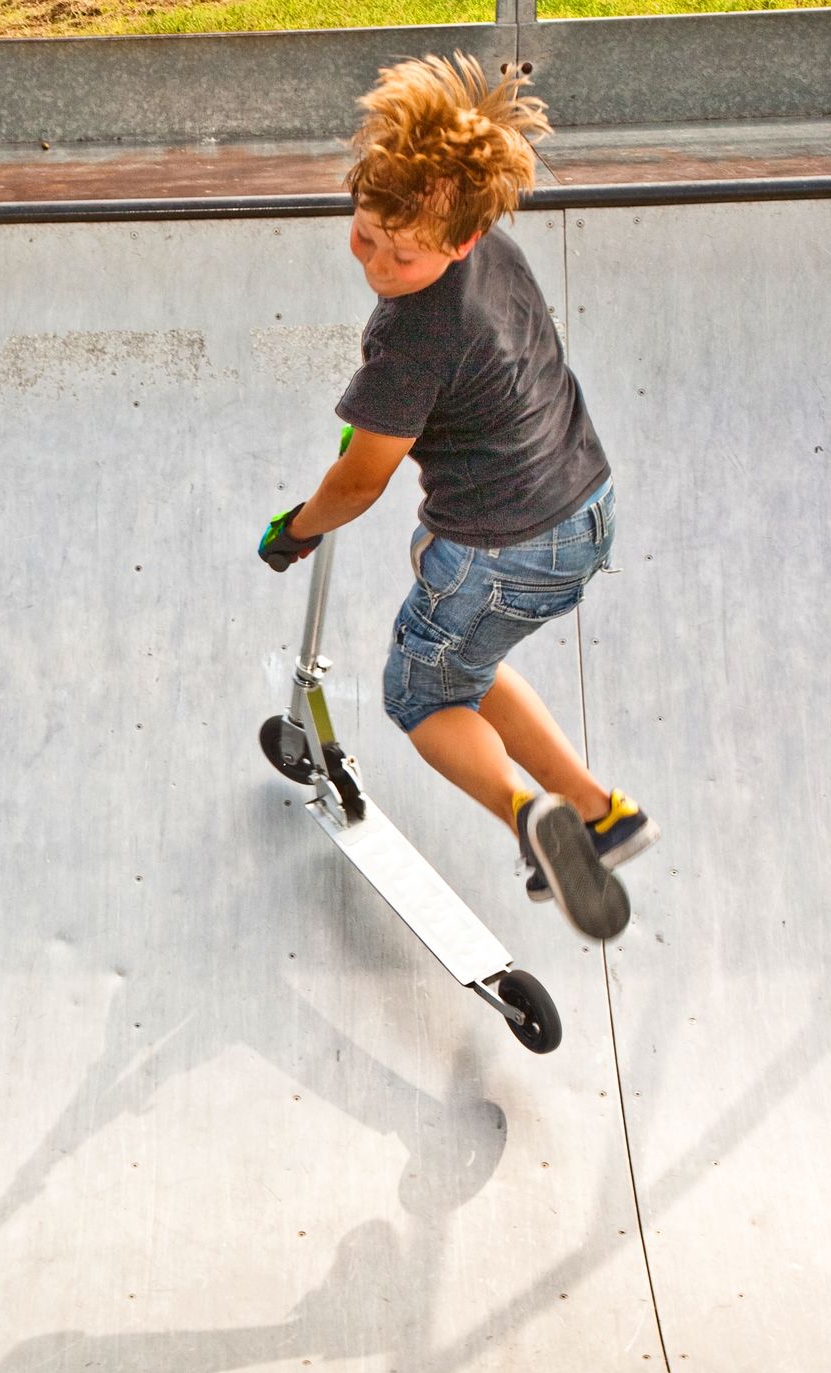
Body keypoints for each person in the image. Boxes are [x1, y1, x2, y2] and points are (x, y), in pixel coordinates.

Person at [258, 53, 655, 942]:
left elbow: (361, 479)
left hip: (503, 546)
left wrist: (296, 529)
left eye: (404, 254)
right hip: (581, 507)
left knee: (421, 698)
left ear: (460, 241)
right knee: (463, 649)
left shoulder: (411, 338)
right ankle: (601, 812)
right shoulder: (492, 244)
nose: (380, 267)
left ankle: (529, 818)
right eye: (365, 236)